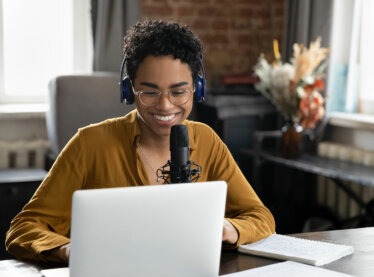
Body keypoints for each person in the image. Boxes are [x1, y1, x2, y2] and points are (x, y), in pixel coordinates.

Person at [5, 20, 275, 264]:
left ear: (197, 88)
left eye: (179, 91)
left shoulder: (206, 140)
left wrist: (229, 228)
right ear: (128, 90)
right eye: (149, 91)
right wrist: (70, 250)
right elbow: (23, 228)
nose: (165, 105)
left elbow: (260, 217)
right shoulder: (89, 144)